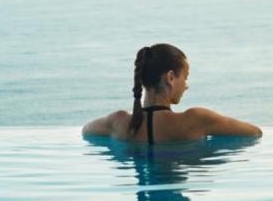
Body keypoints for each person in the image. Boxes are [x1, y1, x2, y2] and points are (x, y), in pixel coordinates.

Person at [81, 43, 262, 144]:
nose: (186, 86)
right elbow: (254, 133)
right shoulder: (196, 120)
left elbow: (86, 131)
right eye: (185, 77)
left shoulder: (118, 122)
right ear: (170, 77)